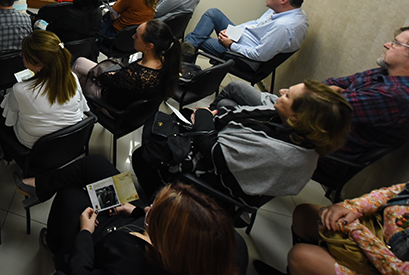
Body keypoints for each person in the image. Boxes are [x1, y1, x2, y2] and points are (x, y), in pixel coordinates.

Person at [213, 26, 409, 175]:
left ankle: (212, 144)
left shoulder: (394, 95)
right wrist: (315, 93)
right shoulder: (382, 74)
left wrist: (305, 96)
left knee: (233, 91)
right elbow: (329, 85)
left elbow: (324, 109)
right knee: (228, 105)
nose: (387, 44)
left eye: (396, 43)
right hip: (304, 118)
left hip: (316, 143)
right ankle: (221, 158)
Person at [132, 81, 352, 206]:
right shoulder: (296, 130)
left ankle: (159, 204)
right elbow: (237, 115)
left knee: (143, 156)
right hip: (228, 155)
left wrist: (204, 118)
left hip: (216, 179)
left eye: (287, 96)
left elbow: (213, 150)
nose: (281, 92)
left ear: (296, 118)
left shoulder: (282, 152)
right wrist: (212, 116)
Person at [14, 155, 241, 275]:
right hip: (129, 219)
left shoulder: (132, 266)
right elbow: (150, 215)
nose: (148, 209)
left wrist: (85, 232)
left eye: (155, 213)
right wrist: (138, 211)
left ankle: (54, 243)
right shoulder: (208, 243)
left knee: (69, 196)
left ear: (171, 247)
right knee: (96, 164)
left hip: (100, 238)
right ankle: (41, 187)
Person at [252, 182, 409, 275]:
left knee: (300, 256)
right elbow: (397, 191)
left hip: (389, 265)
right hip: (376, 229)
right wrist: (351, 207)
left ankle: (303, 268)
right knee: (304, 215)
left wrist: (354, 229)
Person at [0, 30, 89, 155]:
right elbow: (82, 108)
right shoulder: (72, 77)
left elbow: (10, 119)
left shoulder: (21, 90)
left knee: (1, 107)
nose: (21, 56)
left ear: (39, 64)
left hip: (36, 147)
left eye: (24, 55)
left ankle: (4, 151)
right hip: (71, 141)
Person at [183, 0, 308, 69]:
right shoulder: (285, 10)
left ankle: (184, 69)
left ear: (284, 0)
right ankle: (188, 52)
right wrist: (232, 31)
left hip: (244, 58)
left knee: (196, 38)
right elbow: (256, 23)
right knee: (213, 13)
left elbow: (259, 55)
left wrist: (231, 45)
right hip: (242, 38)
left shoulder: (284, 27)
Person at [74, 20, 181, 110]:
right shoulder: (165, 62)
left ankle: (69, 103)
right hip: (133, 105)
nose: (133, 36)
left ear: (149, 46)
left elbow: (104, 79)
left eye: (137, 36)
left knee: (79, 74)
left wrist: (113, 74)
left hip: (113, 107)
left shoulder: (136, 75)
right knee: (80, 62)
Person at [36, 0, 102, 44]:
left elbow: (51, 30)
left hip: (63, 50)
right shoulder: (98, 12)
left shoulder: (69, 13)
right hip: (87, 50)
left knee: (38, 24)